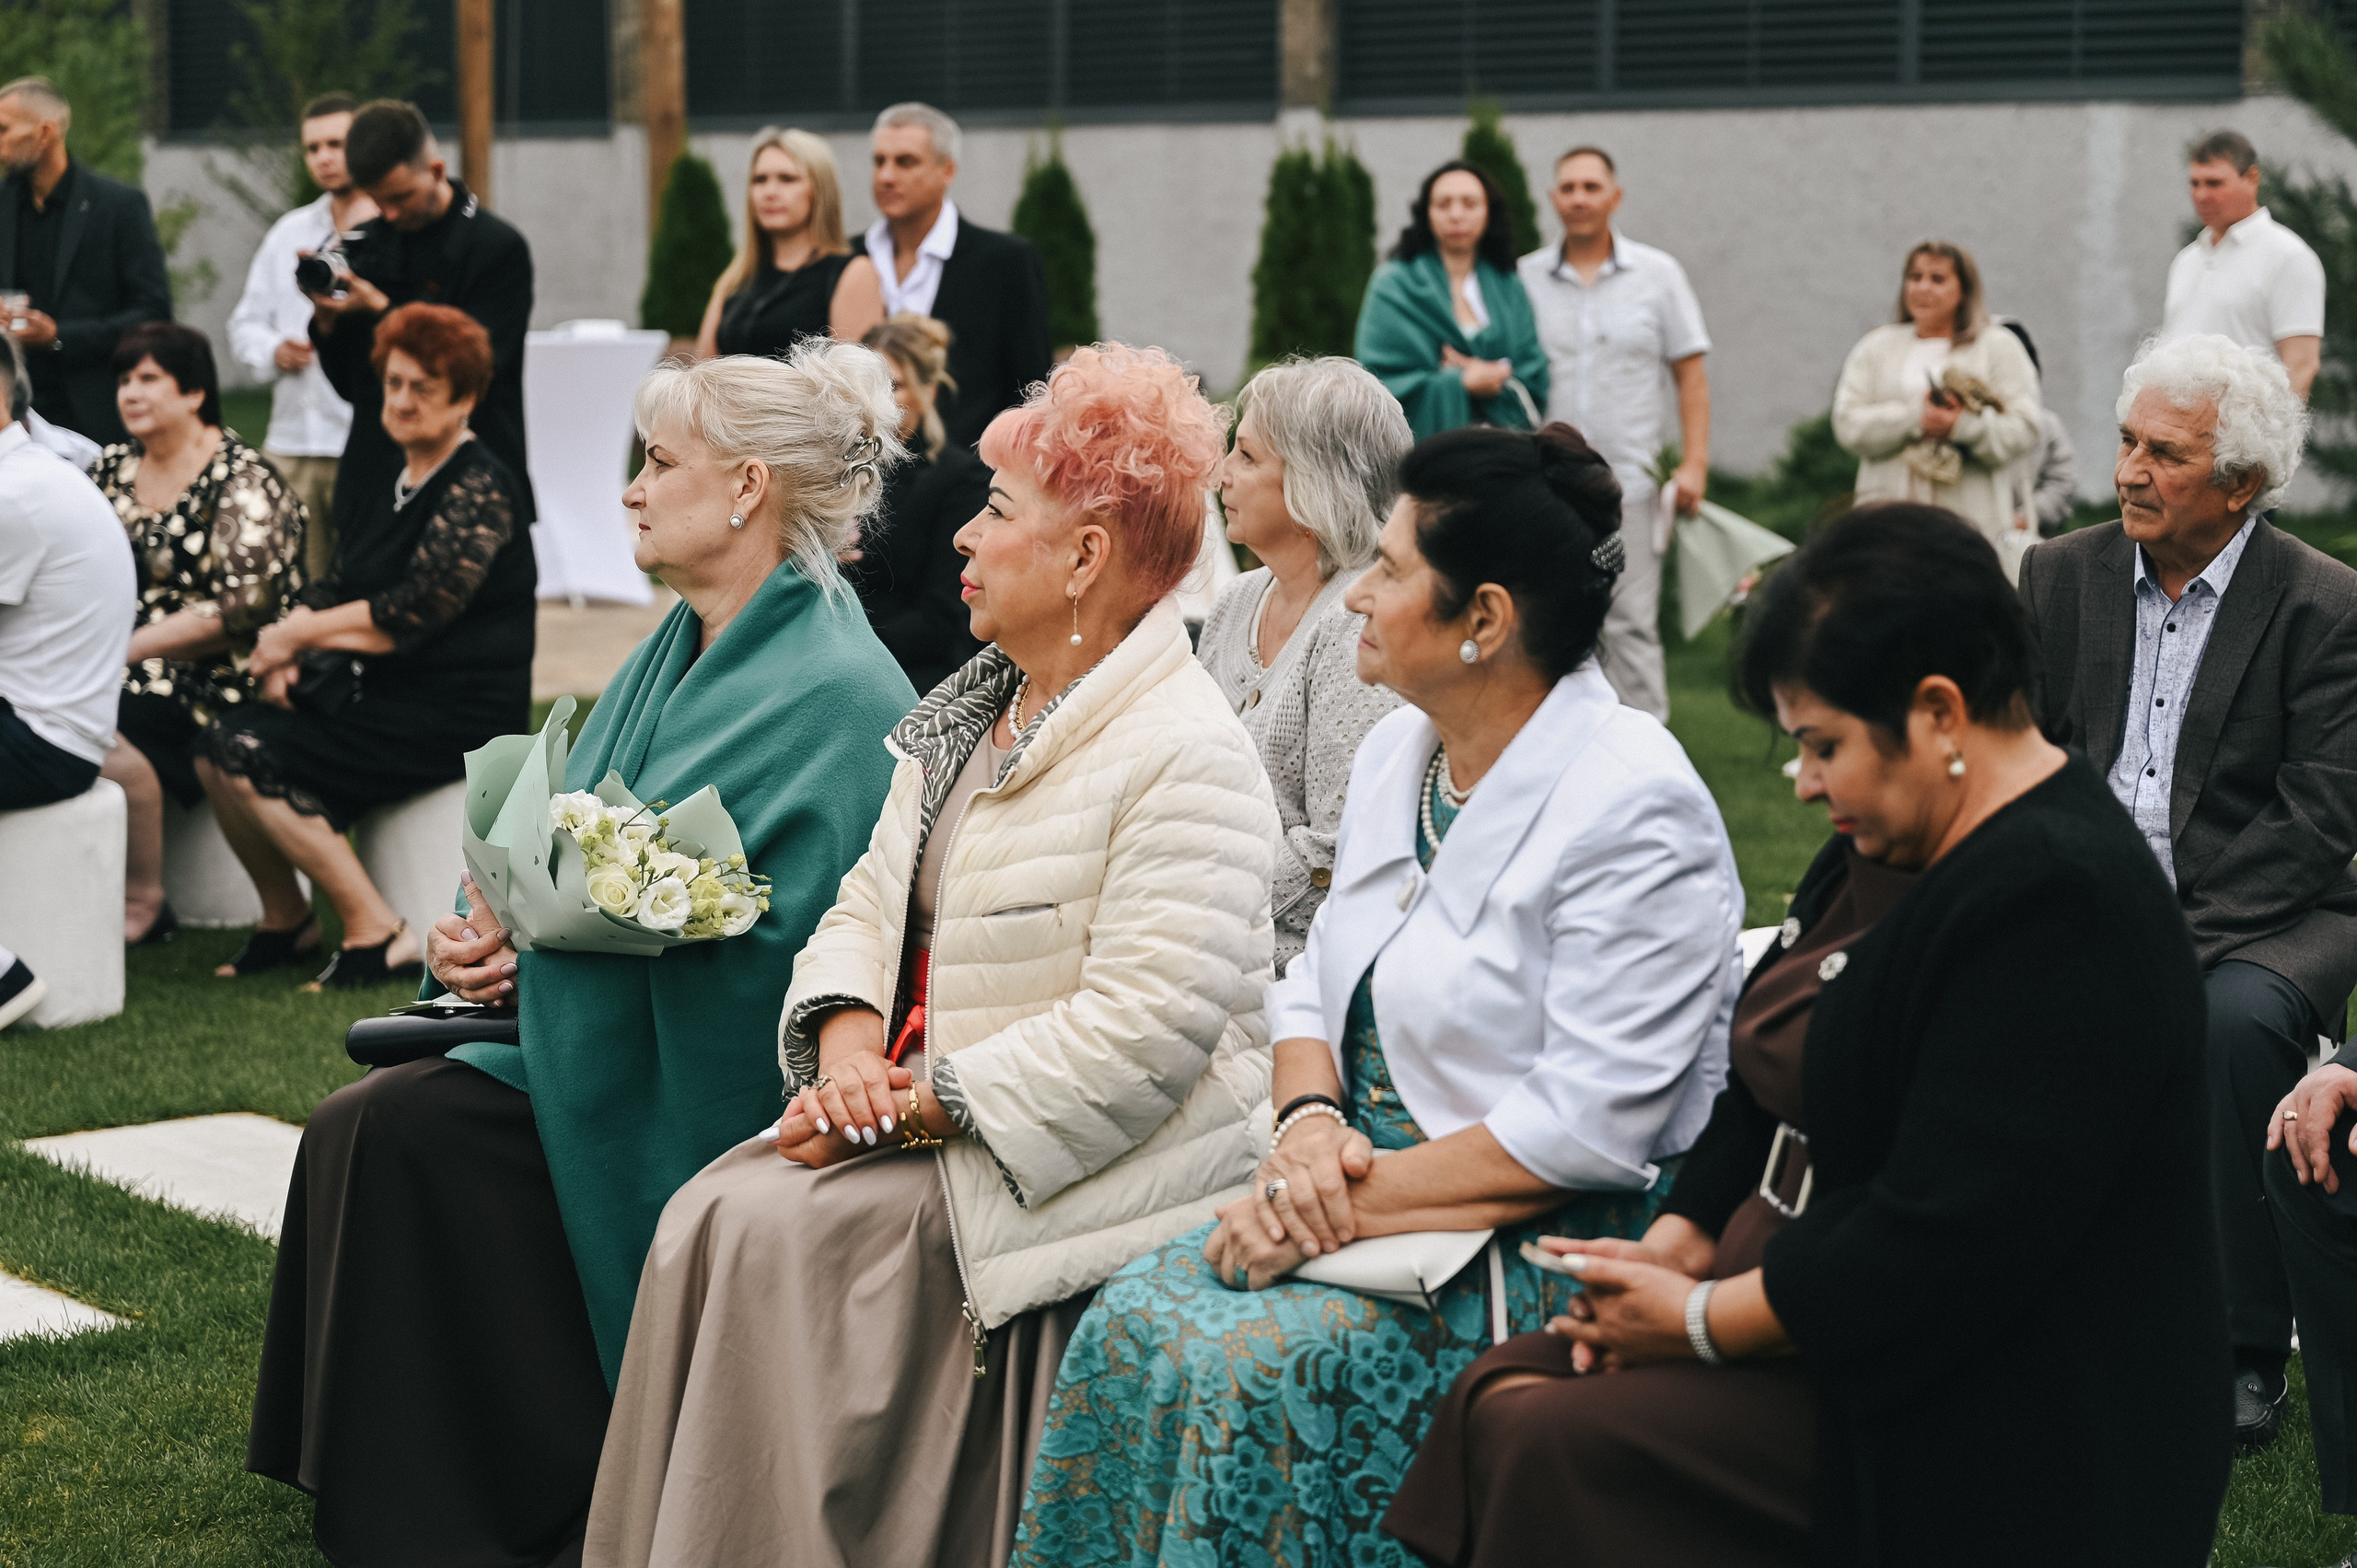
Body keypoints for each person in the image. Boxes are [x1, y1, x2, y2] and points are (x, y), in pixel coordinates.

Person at [1393, 503, 2234, 1568]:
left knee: (1552, 1436)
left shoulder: (2060, 903)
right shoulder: (1890, 840)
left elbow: (1944, 1245)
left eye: (1821, 743)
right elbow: (1760, 1085)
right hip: (1833, 1332)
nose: (1801, 780)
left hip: (1995, 1419)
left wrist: (1701, 1318)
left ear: (1937, 713)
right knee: (1505, 1388)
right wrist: (1676, 1239)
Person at [583, 344, 1275, 1568]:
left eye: (999, 511)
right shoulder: (976, 707)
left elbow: (1147, 1031)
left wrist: (909, 1106)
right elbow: (863, 905)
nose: (960, 536)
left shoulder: (1186, 751)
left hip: (1076, 1161)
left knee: (752, 1227)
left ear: (1085, 557)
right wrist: (846, 1045)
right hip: (931, 1115)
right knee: (713, 1212)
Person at [1013, 423, 1743, 1568]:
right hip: (1348, 1180)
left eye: (1392, 569)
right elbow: (1310, 983)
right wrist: (1306, 1130)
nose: (1356, 595)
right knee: (1132, 1323)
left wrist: (1337, 1202)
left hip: (1532, 1231)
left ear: (1486, 620)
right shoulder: (1402, 753)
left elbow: (1584, 1128)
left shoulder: (1632, 802)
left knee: (1246, 1364)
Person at [248, 342, 916, 1568]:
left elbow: (790, 947)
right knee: (363, 1120)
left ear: (749, 487)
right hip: (590, 1025)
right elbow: (575, 824)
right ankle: (371, 1469)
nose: (629, 488)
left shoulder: (837, 684)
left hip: (696, 1086)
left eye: (659, 462)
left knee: (404, 1129)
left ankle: (509, 1493)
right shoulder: (685, 639)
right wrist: (488, 927)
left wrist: (546, 967)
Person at [2020, 331, 2357, 1455]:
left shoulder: (2323, 604)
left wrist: (2166, 942)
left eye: (2163, 454)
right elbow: (2016, 757)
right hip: (2087, 894)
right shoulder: (2057, 574)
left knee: (2228, 1025)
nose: (2127, 471)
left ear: (2240, 484)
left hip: (2275, 914)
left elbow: (2317, 818)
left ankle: (2240, 1348)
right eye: (2125, 442)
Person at [203, 303, 536, 989]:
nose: (403, 401)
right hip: (382, 694)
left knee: (246, 751)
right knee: (215, 741)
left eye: (423, 388)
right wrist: (285, 648)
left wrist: (294, 634)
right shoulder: (394, 479)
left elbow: (411, 613)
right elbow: (343, 584)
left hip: (456, 710)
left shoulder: (481, 486)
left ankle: (374, 928)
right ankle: (285, 917)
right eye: (394, 384)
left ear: (465, 400)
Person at [89, 321, 306, 947]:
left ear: (194, 392)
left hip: (213, 678)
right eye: (124, 379)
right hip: (112, 657)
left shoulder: (242, 477)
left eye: (149, 378)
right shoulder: (111, 467)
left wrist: (122, 650)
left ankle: (143, 899)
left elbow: (244, 607)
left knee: (103, 713)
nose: (131, 392)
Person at [1195, 354, 1411, 970]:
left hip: (1289, 971)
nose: (1222, 471)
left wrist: (1188, 905)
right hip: (1201, 943)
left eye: (1248, 456)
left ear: (1317, 482)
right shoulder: (1237, 599)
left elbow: (1336, 848)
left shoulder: (1360, 620)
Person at [1515, 145, 1711, 722]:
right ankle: (1555, 747)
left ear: (1615, 196)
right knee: (1545, 617)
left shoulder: (1658, 275)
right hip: (1544, 487)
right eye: (1568, 188)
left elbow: (1690, 374)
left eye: (1591, 187)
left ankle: (1650, 760)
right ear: (1553, 199)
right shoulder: (1524, 278)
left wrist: (1695, 462)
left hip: (1627, 484)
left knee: (1628, 622)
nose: (1579, 198)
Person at [304, 99, 534, 544]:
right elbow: (354, 387)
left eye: (399, 198)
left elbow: (482, 367)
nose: (388, 213)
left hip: (471, 477)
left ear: (435, 169)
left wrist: (380, 310)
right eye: (376, 202)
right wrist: (327, 324)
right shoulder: (366, 247)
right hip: (373, 477)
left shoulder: (496, 247)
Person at [0, 326, 134, 1028]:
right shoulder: (31, 475)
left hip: (46, 741)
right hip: (55, 721)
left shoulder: (13, 495)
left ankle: (2, 974)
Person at [227, 92, 375, 582]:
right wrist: (275, 349)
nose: (325, 157)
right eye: (313, 148)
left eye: (337, 143)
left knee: (362, 577)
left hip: (362, 438)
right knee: (293, 580)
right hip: (291, 440)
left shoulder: (391, 227)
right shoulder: (289, 232)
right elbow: (244, 322)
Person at [1831, 240, 2042, 570]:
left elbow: (2025, 427)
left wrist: (1962, 427)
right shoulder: (1876, 347)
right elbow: (1847, 423)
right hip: (1887, 522)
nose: (1922, 288)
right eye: (1914, 277)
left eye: (1937, 279)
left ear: (1965, 290)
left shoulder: (1998, 347)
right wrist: (1916, 419)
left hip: (1969, 527)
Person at [865, 102, 1052, 448]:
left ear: (947, 171)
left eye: (905, 161)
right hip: (862, 474)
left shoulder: (1005, 261)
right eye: (879, 161)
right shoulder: (849, 257)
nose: (886, 176)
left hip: (970, 476)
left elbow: (1031, 389)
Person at [0, 76, 171, 447]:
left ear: (45, 133)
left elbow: (154, 311)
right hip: (12, 416)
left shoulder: (117, 206)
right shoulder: (2, 204)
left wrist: (59, 336)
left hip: (96, 415)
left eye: (3, 130)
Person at [843, 312, 991, 691]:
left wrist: (839, 647)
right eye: (865, 384)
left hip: (909, 676)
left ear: (928, 394)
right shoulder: (835, 468)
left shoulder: (959, 480)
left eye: (893, 385)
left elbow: (943, 618)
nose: (875, 400)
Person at [1356, 160, 1549, 441]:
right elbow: (1378, 383)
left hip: (1502, 452)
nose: (1456, 215)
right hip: (1419, 456)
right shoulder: (1394, 285)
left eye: (1470, 203)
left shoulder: (1509, 287)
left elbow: (1532, 374)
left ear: (1488, 213)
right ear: (1427, 213)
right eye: (1443, 204)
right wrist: (1459, 383)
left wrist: (1485, 376)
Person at [694, 126, 884, 360]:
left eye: (787, 179)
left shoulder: (851, 273)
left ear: (819, 190)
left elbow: (856, 385)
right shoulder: (738, 275)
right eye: (759, 180)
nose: (769, 192)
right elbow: (701, 372)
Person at [2162, 130, 2324, 401]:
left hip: (2242, 438)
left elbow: (2302, 367)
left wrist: (2267, 441)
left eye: (2214, 183)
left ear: (2252, 178)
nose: (2201, 195)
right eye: (2195, 183)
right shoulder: (2186, 261)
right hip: (2178, 433)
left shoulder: (2289, 257)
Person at [1997, 317, 2079, 539]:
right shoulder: (1957, 426)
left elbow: (2063, 482)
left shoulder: (2046, 425)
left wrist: (2025, 517)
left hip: (2023, 543)